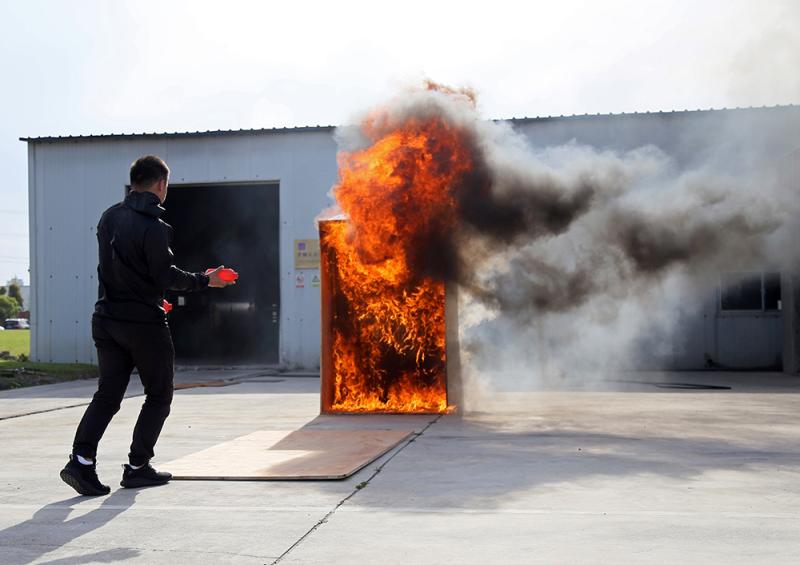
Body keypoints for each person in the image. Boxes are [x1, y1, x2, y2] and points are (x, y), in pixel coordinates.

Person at [60, 155, 235, 496]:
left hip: (108, 319)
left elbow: (116, 270)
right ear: (161, 184)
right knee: (159, 394)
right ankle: (138, 466)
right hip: (142, 325)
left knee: (108, 395)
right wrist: (205, 280)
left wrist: (151, 296)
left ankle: (81, 462)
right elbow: (164, 275)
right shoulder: (154, 226)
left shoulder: (108, 217)